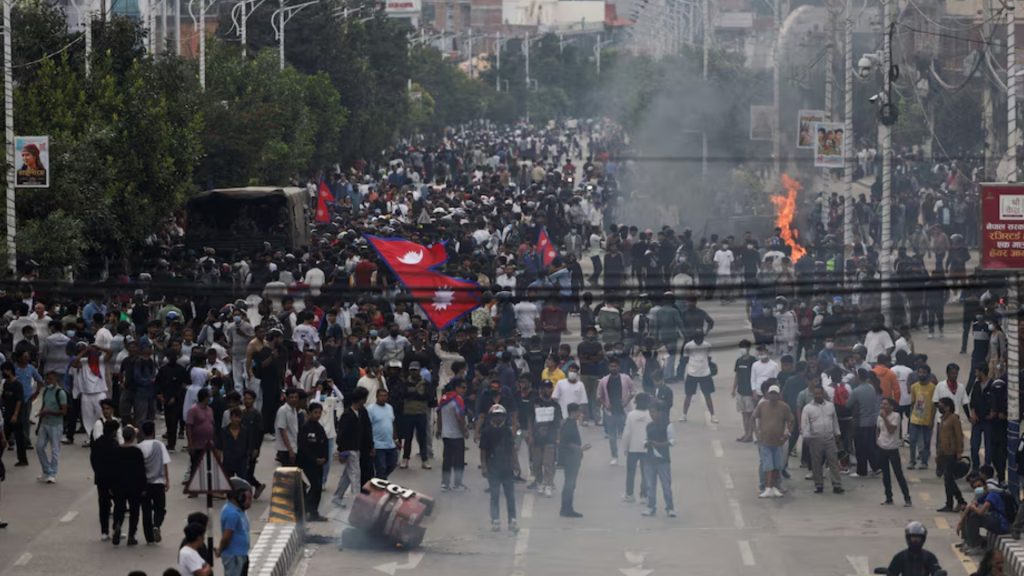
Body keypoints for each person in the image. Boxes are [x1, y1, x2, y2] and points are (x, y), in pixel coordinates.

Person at [480, 404, 518, 532]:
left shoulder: (507, 431)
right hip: (493, 468)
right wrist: (484, 466)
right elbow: (483, 450)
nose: (498, 418)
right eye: (496, 415)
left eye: (501, 415)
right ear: (491, 416)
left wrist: (516, 463)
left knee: (510, 496)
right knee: (494, 495)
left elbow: (512, 448)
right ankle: (495, 520)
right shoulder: (486, 431)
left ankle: (512, 520)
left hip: (507, 467)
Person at [801, 386, 844, 495]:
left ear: (823, 394)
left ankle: (837, 485)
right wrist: (806, 437)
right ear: (813, 395)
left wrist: (837, 433)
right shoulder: (807, 408)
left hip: (830, 438)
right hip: (815, 439)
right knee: (816, 463)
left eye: (820, 393)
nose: (818, 396)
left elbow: (834, 421)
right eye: (816, 394)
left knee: (833, 462)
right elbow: (805, 424)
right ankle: (819, 485)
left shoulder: (830, 406)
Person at [752, 383, 792, 498]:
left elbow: (791, 421)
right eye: (771, 394)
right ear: (768, 394)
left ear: (779, 395)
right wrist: (756, 433)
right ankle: (767, 487)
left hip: (778, 442)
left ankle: (774, 487)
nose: (773, 396)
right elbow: (753, 418)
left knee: (777, 465)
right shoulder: (762, 405)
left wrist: (787, 434)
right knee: (768, 465)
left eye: (775, 394)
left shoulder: (784, 407)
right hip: (765, 441)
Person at [334, 387, 370, 507]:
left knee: (347, 476)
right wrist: (341, 450)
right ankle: (357, 501)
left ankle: (338, 496)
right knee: (355, 474)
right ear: (360, 400)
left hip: (356, 448)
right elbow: (341, 435)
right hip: (349, 449)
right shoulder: (348, 415)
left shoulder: (359, 413)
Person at [957, 476, 1010, 556]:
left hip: (1001, 524)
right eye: (975, 487)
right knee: (968, 512)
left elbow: (981, 512)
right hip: (993, 520)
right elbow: (969, 506)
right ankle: (968, 541)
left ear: (985, 485)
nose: (978, 488)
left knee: (974, 516)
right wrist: (960, 522)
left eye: (979, 486)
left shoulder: (992, 494)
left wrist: (973, 507)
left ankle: (976, 546)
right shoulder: (983, 495)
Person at [596, 358, 635, 465]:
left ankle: (630, 454)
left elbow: (633, 391)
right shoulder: (604, 380)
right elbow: (599, 396)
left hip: (623, 410)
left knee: (627, 434)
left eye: (615, 366)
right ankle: (614, 456)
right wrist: (605, 405)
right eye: (611, 366)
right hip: (610, 412)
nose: (613, 368)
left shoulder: (626, 378)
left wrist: (627, 401)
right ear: (608, 367)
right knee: (612, 436)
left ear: (619, 367)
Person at [113, 425, 147, 546]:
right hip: (134, 486)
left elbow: (113, 470)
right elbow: (141, 470)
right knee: (134, 511)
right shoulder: (137, 452)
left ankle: (117, 524)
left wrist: (112, 486)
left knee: (119, 508)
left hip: (119, 485)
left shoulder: (116, 451)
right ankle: (131, 535)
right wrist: (143, 487)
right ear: (133, 437)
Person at [138, 421, 171, 544]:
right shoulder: (159, 445)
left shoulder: (139, 447)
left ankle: (149, 538)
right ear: (153, 432)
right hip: (158, 482)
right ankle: (156, 525)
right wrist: (167, 480)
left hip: (144, 484)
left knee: (146, 509)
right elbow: (165, 463)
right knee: (160, 508)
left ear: (142, 432)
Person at [642, 401, 676, 517]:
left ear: (660, 412)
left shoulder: (668, 425)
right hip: (649, 459)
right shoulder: (649, 426)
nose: (652, 414)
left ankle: (670, 508)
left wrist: (659, 445)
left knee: (666, 485)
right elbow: (646, 439)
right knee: (650, 485)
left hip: (663, 460)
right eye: (650, 412)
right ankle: (651, 507)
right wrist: (647, 443)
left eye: (654, 412)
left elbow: (672, 441)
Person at [529, 379, 562, 497]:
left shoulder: (555, 405)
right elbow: (530, 420)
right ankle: (540, 483)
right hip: (537, 438)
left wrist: (558, 438)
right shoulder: (534, 403)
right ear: (541, 389)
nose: (547, 390)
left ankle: (548, 485)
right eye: (544, 387)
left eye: (549, 387)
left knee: (548, 463)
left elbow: (558, 423)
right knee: (537, 463)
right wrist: (530, 435)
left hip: (550, 438)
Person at [877, 397, 912, 507]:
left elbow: (891, 430)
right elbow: (878, 429)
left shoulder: (896, 416)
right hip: (882, 448)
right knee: (885, 475)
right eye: (882, 404)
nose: (883, 406)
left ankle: (907, 498)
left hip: (892, 449)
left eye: (886, 404)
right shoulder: (879, 417)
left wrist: (885, 418)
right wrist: (877, 440)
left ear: (891, 406)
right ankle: (888, 497)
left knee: (898, 474)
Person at [298, 402, 329, 521]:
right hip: (308, 464)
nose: (318, 415)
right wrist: (314, 459)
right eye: (315, 412)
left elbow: (325, 445)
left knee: (318, 488)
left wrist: (324, 458)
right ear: (310, 413)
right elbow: (303, 447)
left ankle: (314, 512)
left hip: (319, 465)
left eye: (319, 412)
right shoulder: (305, 428)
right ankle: (307, 511)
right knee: (311, 487)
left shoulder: (320, 428)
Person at [90, 419, 120, 541]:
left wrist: (97, 472)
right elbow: (118, 463)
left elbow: (92, 460)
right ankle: (116, 527)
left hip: (100, 478)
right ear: (113, 432)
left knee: (103, 504)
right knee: (118, 503)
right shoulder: (114, 445)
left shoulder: (97, 443)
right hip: (113, 479)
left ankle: (104, 531)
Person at [36, 370, 68, 483]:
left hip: (56, 425)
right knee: (39, 447)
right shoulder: (46, 391)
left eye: (50, 379)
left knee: (55, 450)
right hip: (45, 423)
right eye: (47, 379)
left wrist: (49, 412)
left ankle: (52, 473)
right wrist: (41, 417)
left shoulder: (60, 393)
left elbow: (64, 411)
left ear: (56, 380)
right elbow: (44, 406)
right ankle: (47, 470)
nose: (48, 381)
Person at [936, 397, 967, 513]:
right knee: (947, 480)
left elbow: (959, 436)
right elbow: (940, 438)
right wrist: (938, 453)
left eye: (941, 405)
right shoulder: (943, 419)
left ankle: (960, 501)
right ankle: (950, 503)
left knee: (949, 479)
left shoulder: (953, 419)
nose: (939, 407)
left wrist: (959, 451)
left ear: (948, 407)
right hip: (944, 453)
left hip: (951, 453)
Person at [849, 369, 881, 477]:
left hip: (861, 424)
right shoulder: (872, 388)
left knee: (860, 448)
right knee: (870, 446)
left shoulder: (856, 391)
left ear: (858, 377)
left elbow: (847, 405)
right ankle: (876, 467)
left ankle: (861, 471)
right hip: (871, 423)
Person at [437, 379, 469, 491]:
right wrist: (464, 430)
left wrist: (439, 429)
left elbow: (439, 415)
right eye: (463, 387)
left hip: (446, 435)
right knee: (458, 461)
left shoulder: (444, 399)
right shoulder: (458, 400)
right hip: (456, 435)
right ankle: (457, 484)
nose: (465, 390)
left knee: (447, 460)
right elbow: (459, 418)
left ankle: (445, 484)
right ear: (456, 388)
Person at [559, 402, 589, 518]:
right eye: (579, 411)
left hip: (572, 457)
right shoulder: (569, 425)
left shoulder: (569, 423)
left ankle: (567, 508)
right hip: (570, 458)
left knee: (570, 484)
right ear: (574, 412)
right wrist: (580, 448)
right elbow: (566, 443)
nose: (580, 414)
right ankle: (566, 509)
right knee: (569, 484)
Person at [218, 477, 253, 576]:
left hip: (241, 554)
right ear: (238, 496)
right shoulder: (231, 513)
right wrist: (220, 550)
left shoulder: (240, 511)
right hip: (234, 557)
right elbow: (227, 537)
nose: (250, 501)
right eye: (248, 498)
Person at [680, 330, 716, 423]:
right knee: (688, 395)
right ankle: (684, 415)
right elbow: (685, 357)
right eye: (697, 339)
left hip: (705, 373)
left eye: (700, 339)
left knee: (707, 395)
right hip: (692, 373)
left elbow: (709, 357)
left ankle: (713, 415)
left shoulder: (707, 345)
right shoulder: (688, 346)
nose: (699, 341)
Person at [621, 393, 651, 503]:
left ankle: (629, 494)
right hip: (647, 448)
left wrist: (625, 447)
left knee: (630, 472)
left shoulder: (631, 415)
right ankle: (644, 495)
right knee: (645, 473)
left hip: (633, 448)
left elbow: (627, 433)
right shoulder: (650, 415)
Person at [367, 388, 400, 480]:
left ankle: (379, 480)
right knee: (381, 468)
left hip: (390, 444)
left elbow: (392, 423)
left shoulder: (390, 408)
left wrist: (396, 439)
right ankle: (380, 486)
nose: (383, 398)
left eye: (385, 396)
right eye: (381, 396)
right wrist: (370, 444)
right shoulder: (371, 409)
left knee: (393, 464)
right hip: (377, 445)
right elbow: (367, 427)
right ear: (376, 397)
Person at [907, 372, 937, 470]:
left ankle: (924, 462)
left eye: (923, 372)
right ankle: (912, 461)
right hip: (915, 419)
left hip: (927, 419)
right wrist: (911, 416)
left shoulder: (932, 388)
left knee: (926, 441)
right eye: (919, 372)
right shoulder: (914, 387)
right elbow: (912, 402)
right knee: (912, 440)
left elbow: (934, 405)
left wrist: (932, 419)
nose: (921, 374)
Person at [733, 340, 756, 442]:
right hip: (740, 391)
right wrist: (733, 389)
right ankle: (746, 433)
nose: (743, 349)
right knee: (743, 414)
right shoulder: (738, 361)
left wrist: (754, 390)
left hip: (749, 392)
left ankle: (750, 435)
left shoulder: (753, 361)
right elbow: (737, 375)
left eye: (744, 347)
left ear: (748, 349)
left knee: (750, 414)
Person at [274, 388, 301, 466]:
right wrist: (290, 450)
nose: (294, 399)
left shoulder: (294, 410)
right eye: (291, 397)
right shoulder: (283, 410)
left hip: (293, 446)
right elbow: (283, 430)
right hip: (285, 449)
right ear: (287, 398)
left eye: (296, 397)